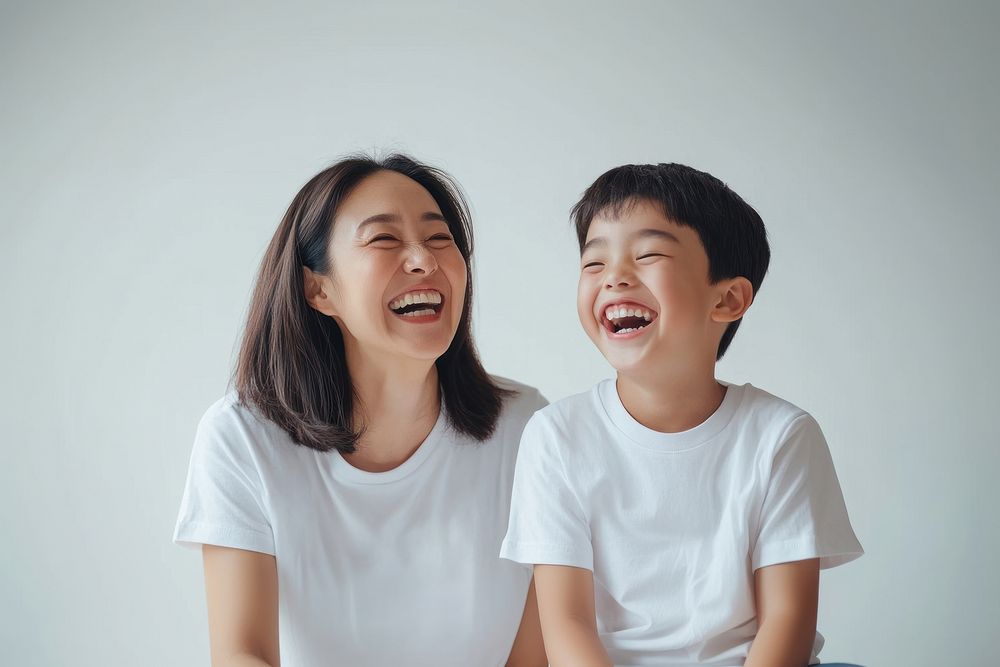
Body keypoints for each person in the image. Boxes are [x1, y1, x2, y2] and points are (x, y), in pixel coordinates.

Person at [174, 154, 548, 667]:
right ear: (319, 289)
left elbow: (534, 656)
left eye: (440, 239)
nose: (424, 259)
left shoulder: (527, 426)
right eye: (384, 239)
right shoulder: (241, 436)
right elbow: (242, 653)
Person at [500, 163, 864, 667]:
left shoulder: (781, 436)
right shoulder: (557, 435)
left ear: (728, 298)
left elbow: (788, 622)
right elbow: (565, 623)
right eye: (593, 263)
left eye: (648, 255)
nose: (615, 277)